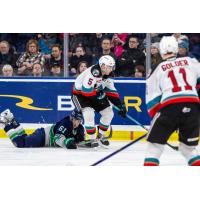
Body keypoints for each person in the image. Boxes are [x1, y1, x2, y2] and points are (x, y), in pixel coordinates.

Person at [145, 36, 200, 166]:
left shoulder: (157, 68)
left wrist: (157, 120)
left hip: (170, 107)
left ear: (161, 50)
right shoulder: (191, 62)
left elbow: (152, 101)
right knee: (188, 149)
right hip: (193, 107)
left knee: (154, 148)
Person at [72, 55, 127, 147]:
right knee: (89, 114)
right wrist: (98, 97)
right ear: (103, 66)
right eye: (110, 67)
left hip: (94, 93)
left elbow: (111, 91)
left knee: (109, 113)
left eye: (112, 66)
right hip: (80, 95)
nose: (112, 69)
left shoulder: (108, 74)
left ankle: (100, 137)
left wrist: (120, 105)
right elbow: (85, 90)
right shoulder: (94, 72)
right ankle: (91, 138)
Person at [0, 109, 85, 149]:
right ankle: (5, 124)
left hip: (43, 137)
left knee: (24, 138)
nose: (76, 122)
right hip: (43, 137)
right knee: (20, 143)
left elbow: (81, 141)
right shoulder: (66, 123)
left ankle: (11, 118)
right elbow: (57, 138)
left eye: (79, 120)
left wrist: (88, 143)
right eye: (75, 119)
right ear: (72, 118)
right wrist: (66, 143)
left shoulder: (80, 129)